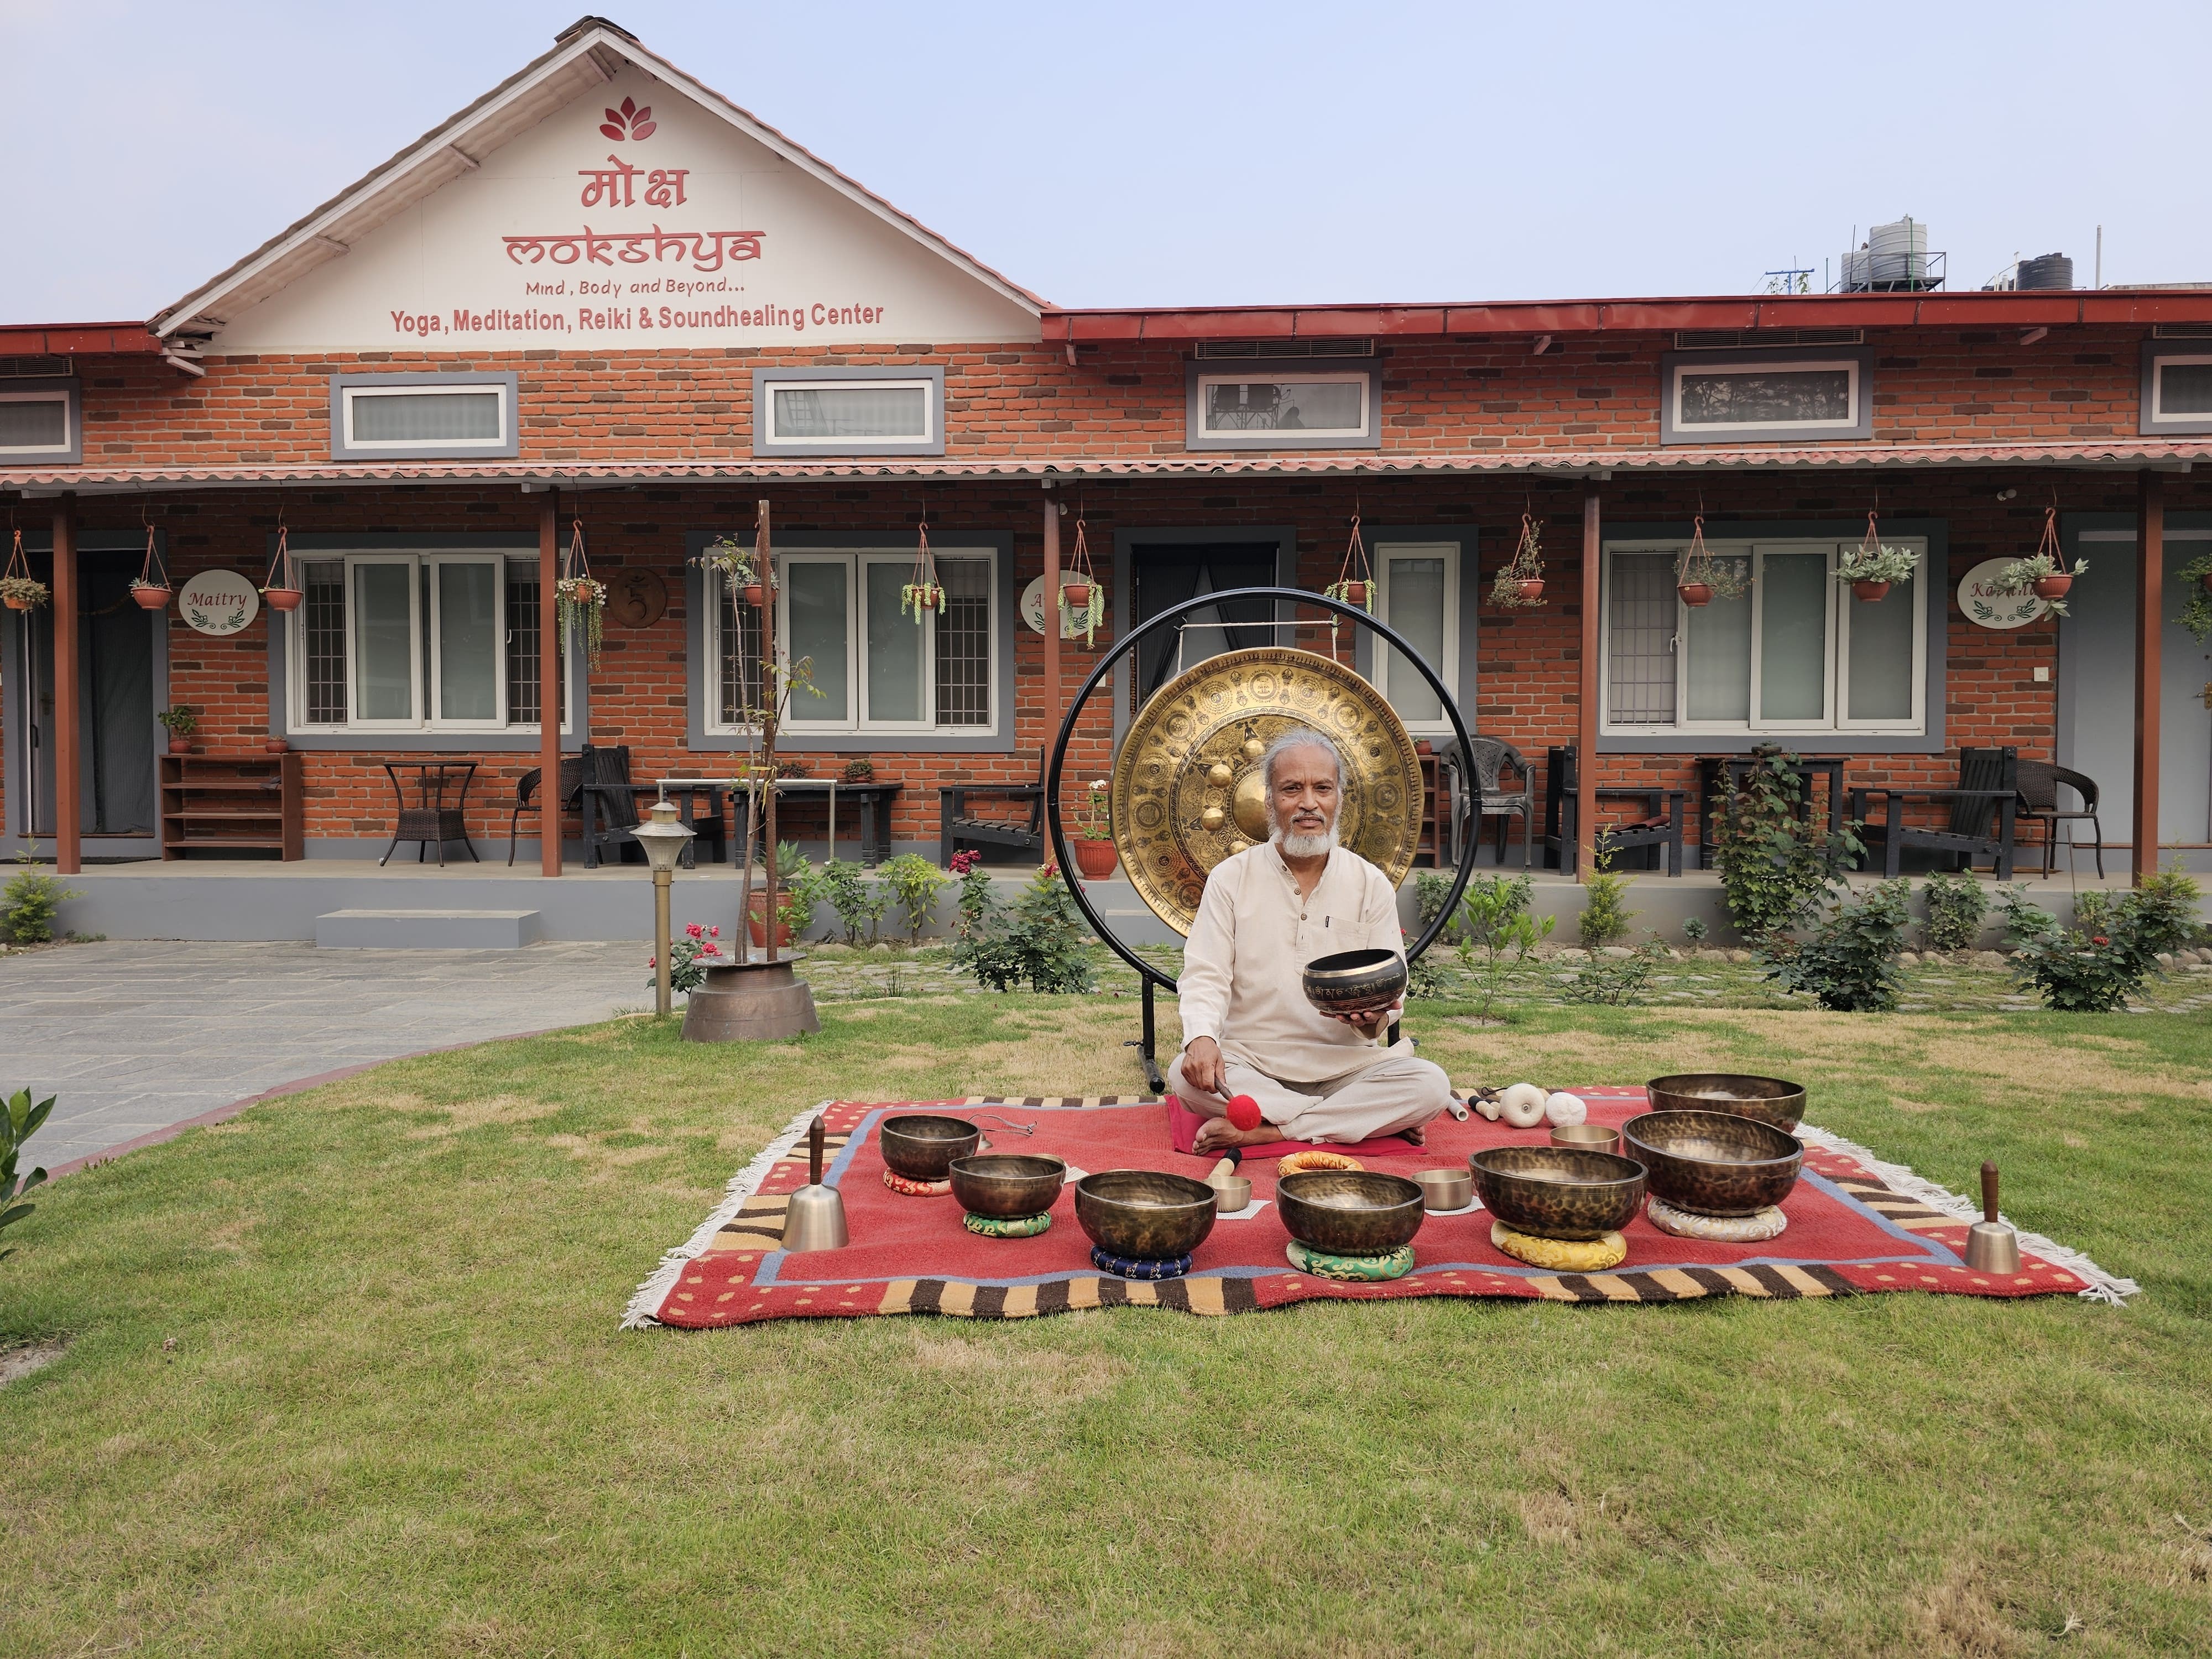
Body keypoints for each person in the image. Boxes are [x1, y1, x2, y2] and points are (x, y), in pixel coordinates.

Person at [1170, 726, 1454, 1155]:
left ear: (1338, 798)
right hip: (1251, 1061)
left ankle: (1273, 1130)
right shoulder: (1231, 879)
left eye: (1322, 788)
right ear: (1269, 801)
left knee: (1430, 1085)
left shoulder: (1369, 883)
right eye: (1292, 789)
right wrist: (1203, 1039)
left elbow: (1389, 992)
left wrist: (1371, 1018)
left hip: (1346, 1066)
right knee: (1183, 1074)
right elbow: (1204, 974)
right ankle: (1348, 1121)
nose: (1308, 803)